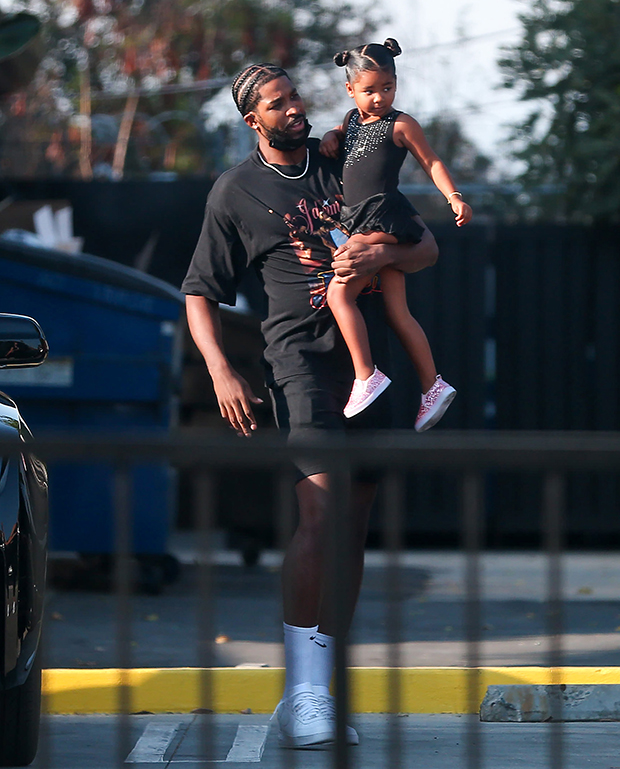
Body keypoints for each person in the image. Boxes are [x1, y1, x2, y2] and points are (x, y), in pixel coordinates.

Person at [182, 62, 438, 748]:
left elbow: (426, 247)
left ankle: (318, 690)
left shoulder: (346, 163)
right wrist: (220, 370)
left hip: (369, 365)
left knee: (352, 526)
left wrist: (380, 247)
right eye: (277, 102)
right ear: (252, 121)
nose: (295, 108)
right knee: (319, 511)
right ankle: (300, 689)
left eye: (295, 96)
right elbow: (199, 291)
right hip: (298, 365)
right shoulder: (235, 190)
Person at [319, 38, 472, 430]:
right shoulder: (352, 120)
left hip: (382, 217)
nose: (379, 98)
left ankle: (366, 374)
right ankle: (432, 386)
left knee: (339, 292)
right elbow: (339, 134)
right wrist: (330, 137)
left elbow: (431, 161)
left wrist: (454, 197)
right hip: (359, 217)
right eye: (369, 90)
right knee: (396, 311)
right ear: (350, 89)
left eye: (387, 88)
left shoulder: (401, 124)